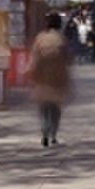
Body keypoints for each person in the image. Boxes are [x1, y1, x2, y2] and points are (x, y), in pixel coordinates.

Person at [28, 12, 73, 146]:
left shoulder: (40, 38)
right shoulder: (61, 38)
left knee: (43, 107)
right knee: (55, 107)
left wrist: (32, 73)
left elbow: (34, 58)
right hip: (58, 77)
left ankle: (44, 132)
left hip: (42, 76)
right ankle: (53, 133)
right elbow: (68, 59)